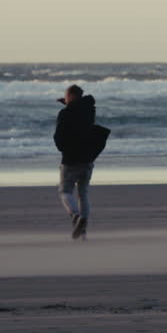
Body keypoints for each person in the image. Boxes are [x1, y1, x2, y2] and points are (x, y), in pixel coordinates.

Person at [54, 84, 110, 240]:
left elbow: (59, 137)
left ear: (71, 96)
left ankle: (75, 216)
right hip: (87, 158)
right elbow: (79, 112)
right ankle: (83, 231)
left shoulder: (65, 114)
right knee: (83, 194)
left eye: (66, 95)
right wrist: (68, 104)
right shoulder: (89, 110)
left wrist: (61, 147)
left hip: (71, 159)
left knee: (65, 191)